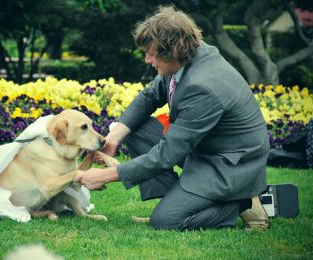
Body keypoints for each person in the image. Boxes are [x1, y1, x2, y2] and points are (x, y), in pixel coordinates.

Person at [75, 6, 270, 231]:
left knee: (166, 221)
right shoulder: (190, 56)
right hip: (207, 147)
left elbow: (165, 156)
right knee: (134, 129)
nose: (147, 60)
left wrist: (105, 176)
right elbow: (150, 95)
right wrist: (114, 138)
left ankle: (240, 202)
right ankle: (177, 201)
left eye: (151, 53)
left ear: (173, 51)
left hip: (228, 163)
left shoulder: (203, 87)